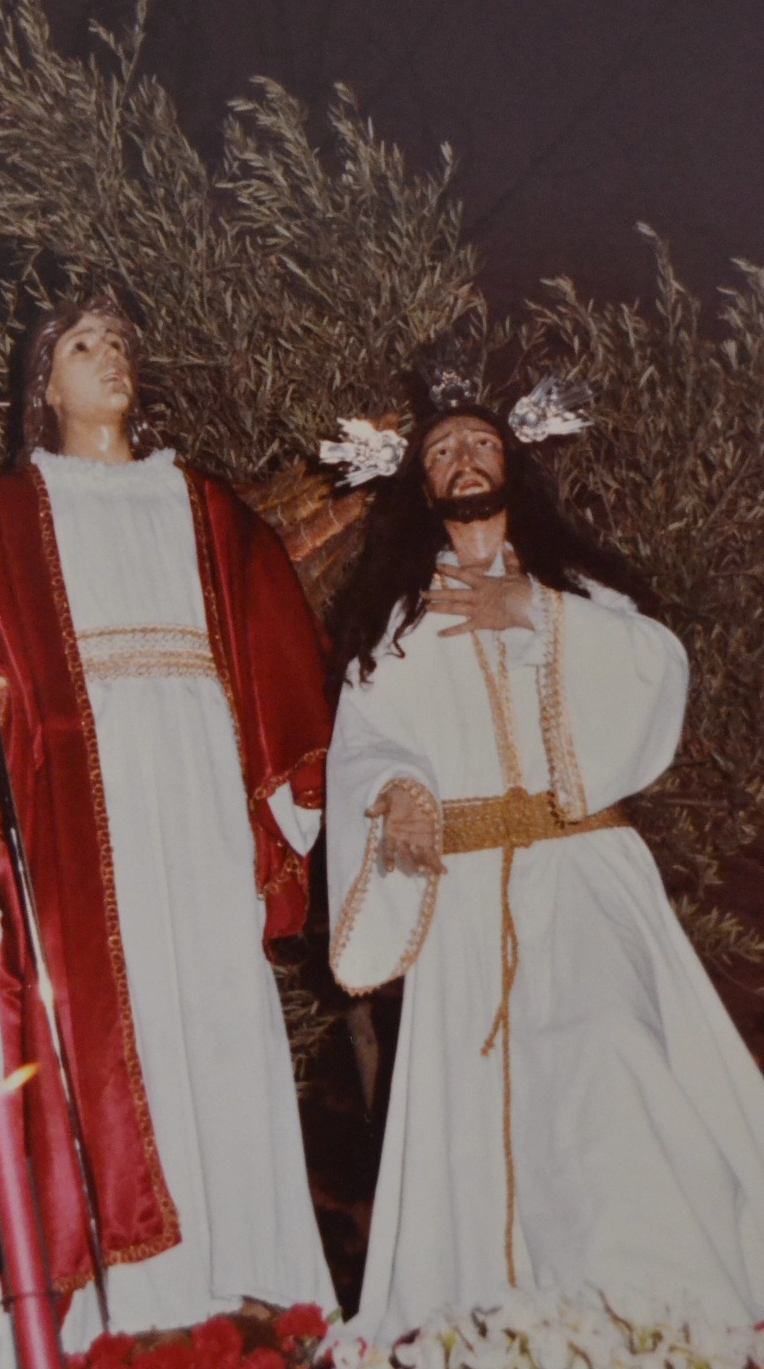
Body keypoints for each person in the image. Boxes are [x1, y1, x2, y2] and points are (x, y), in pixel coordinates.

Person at [0, 297, 337, 1355]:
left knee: (216, 1005)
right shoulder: (5, 513)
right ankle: (130, 1310)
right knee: (108, 1022)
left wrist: (287, 782)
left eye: (120, 345)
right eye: (81, 346)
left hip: (197, 779)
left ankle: (258, 1289)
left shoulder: (203, 504)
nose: (109, 359)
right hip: (80, 790)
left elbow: (278, 638)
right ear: (43, 389)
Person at [324, 386, 764, 1345]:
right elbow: (363, 742)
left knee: (617, 1053)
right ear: (421, 484)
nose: (465, 459)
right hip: (472, 893)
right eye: (443, 451)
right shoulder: (398, 629)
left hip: (586, 870)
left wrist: (535, 610)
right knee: (484, 1114)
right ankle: (517, 1330)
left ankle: (670, 1312)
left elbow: (661, 667)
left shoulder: (584, 596)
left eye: (481, 442)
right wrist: (397, 790)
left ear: (514, 464)